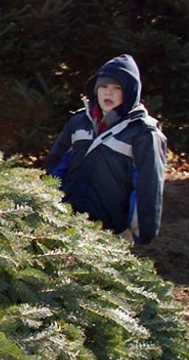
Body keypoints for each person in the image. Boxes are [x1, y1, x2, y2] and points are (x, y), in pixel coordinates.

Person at [43, 54, 167, 244]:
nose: (108, 93)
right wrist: (46, 202)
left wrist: (137, 232)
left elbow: (147, 185)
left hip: (109, 231)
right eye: (104, 86)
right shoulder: (79, 122)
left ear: (130, 92)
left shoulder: (142, 133)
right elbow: (57, 164)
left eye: (117, 88)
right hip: (66, 221)